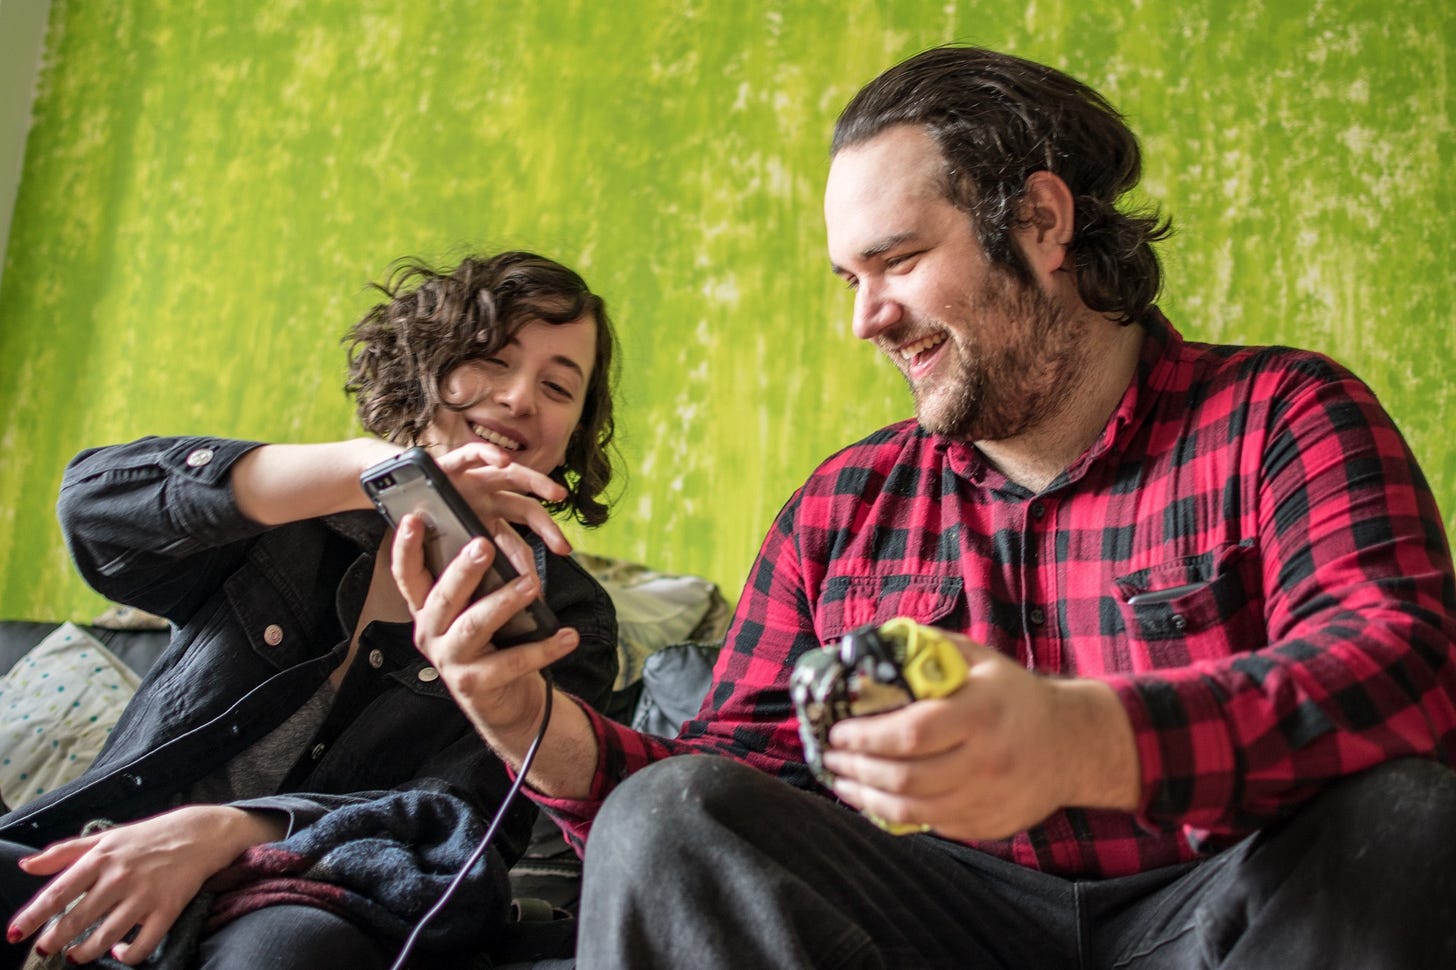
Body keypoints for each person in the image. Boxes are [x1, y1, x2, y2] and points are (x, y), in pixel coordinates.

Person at [394, 47, 1456, 969]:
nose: (864, 317)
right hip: (938, 928)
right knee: (663, 817)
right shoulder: (839, 505)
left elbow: (1406, 665)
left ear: (1041, 221)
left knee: (1408, 812)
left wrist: (1085, 740)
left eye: (897, 260)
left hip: (1233, 908)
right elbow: (724, 787)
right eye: (848, 277)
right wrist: (528, 720)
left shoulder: (1280, 413)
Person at [0, 251, 621, 969]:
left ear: (574, 432)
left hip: (301, 907)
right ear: (426, 363)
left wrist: (229, 831)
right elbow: (93, 506)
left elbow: (460, 823)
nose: (519, 398)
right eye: (491, 359)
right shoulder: (296, 518)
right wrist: (370, 471)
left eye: (557, 387)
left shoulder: (571, 616)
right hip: (106, 854)